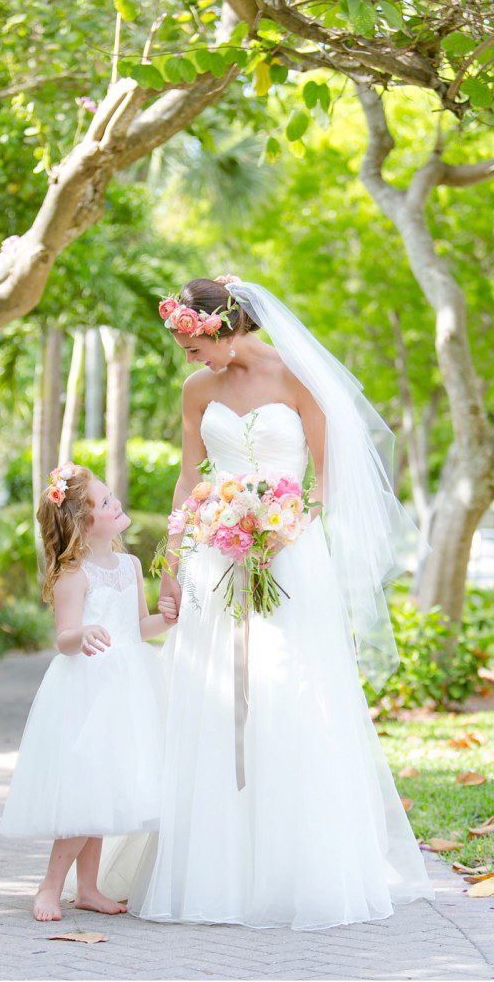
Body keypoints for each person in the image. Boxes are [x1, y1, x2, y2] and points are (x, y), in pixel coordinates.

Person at [99, 276, 437, 930]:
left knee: (289, 693)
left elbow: (328, 472)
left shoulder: (298, 375)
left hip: (291, 554)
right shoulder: (197, 391)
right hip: (212, 558)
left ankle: (296, 870)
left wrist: (289, 522)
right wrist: (173, 564)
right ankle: (212, 873)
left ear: (222, 329)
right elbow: (188, 477)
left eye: (191, 345)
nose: (187, 359)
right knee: (210, 701)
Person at [0, 462, 175, 922]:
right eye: (104, 503)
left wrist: (169, 620)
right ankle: (50, 887)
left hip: (129, 685)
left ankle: (90, 888)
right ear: (81, 522)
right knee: (87, 789)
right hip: (90, 686)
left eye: (111, 497)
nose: (116, 504)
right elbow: (63, 637)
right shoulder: (74, 575)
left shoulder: (131, 565)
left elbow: (138, 628)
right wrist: (84, 634)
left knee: (105, 786)